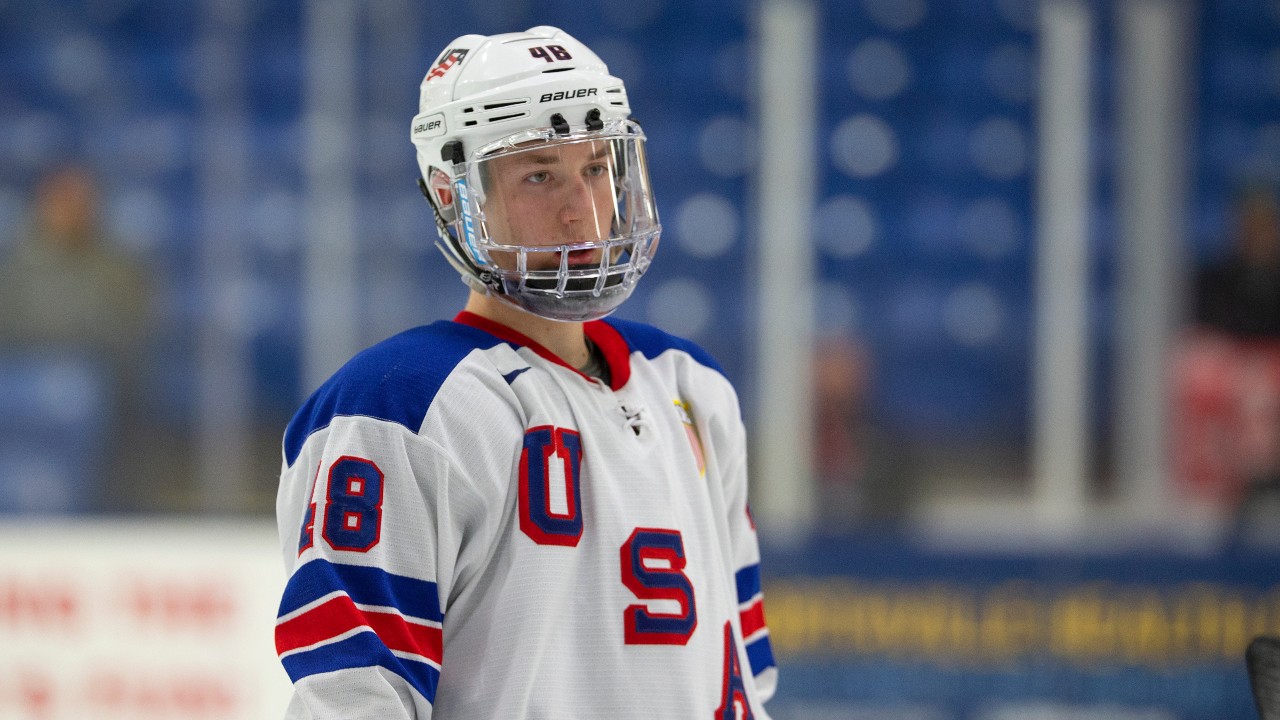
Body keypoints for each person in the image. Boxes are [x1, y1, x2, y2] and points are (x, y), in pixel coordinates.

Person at [273, 27, 776, 719]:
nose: (582, 210)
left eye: (596, 168)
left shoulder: (691, 387)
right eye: (539, 175)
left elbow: (744, 679)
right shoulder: (400, 409)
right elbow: (356, 699)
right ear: (453, 197)